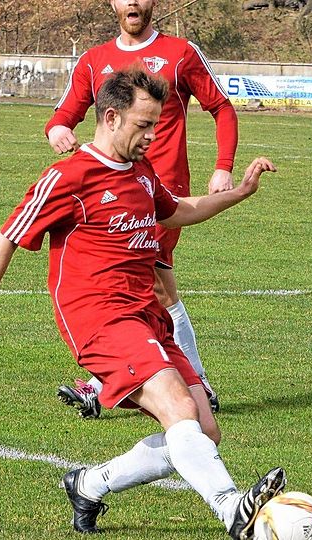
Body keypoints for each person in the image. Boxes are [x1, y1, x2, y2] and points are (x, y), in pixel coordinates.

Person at [0, 67, 285, 538]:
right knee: (179, 408)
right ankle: (230, 507)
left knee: (204, 432)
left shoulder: (140, 172)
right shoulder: (69, 176)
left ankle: (90, 484)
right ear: (111, 117)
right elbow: (8, 235)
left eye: (156, 124)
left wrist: (239, 193)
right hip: (100, 319)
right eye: (144, 124)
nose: (152, 136)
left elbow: (177, 211)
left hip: (148, 318)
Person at [48, 0, 232, 417]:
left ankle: (172, 381)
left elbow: (220, 107)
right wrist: (57, 129)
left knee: (152, 283)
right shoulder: (94, 60)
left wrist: (223, 168)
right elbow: (65, 114)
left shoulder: (180, 52)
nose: (132, 1)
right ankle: (138, 378)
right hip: (111, 190)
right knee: (143, 285)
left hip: (161, 192)